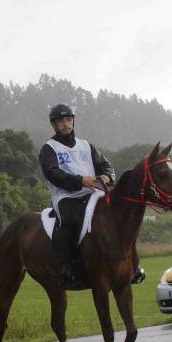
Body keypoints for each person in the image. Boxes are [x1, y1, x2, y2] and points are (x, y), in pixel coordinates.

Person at [39, 104, 115, 288]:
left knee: (117, 216)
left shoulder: (86, 146)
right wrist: (81, 181)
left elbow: (106, 166)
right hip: (66, 196)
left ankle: (130, 265)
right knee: (69, 221)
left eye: (68, 119)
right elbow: (53, 173)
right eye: (60, 121)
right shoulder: (49, 149)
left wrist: (107, 176)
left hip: (93, 193)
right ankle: (66, 268)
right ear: (54, 125)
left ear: (73, 121)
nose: (65, 124)